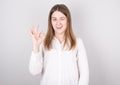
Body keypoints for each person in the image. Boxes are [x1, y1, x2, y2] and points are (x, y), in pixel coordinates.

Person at [29, 4, 89, 85]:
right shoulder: (43, 41)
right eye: (54, 19)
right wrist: (36, 46)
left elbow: (84, 73)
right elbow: (34, 71)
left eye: (62, 19)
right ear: (50, 21)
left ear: (68, 20)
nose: (58, 23)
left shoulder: (78, 42)